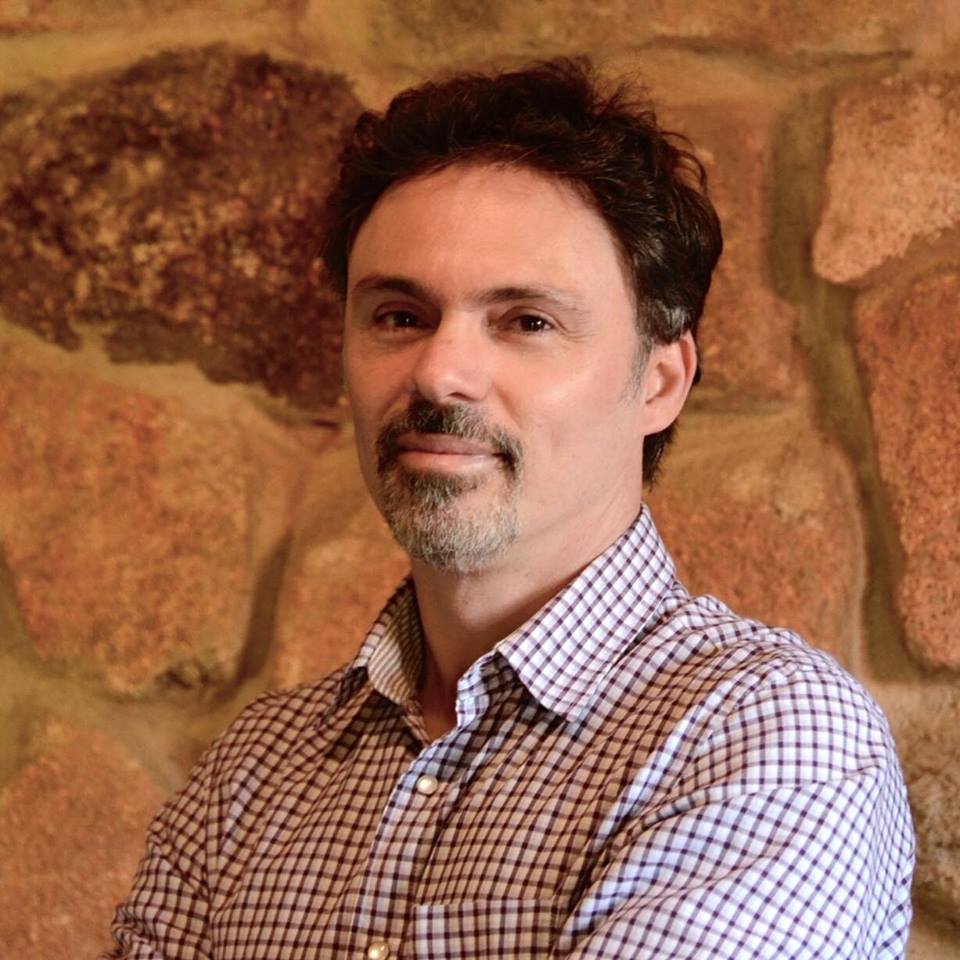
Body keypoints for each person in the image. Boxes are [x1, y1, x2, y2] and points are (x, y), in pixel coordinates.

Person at [103, 58, 915, 959]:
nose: (439, 372)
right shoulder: (251, 771)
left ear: (659, 381)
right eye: (399, 316)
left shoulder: (763, 737)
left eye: (526, 321)